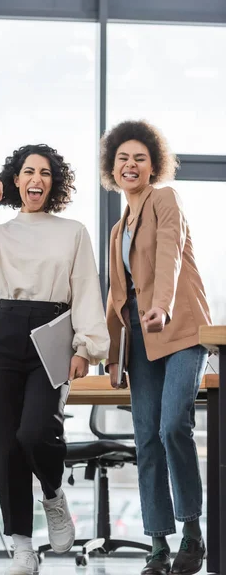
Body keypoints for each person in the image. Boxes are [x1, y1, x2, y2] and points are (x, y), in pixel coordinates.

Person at [0, 143, 109, 575]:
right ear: (16, 181)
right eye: (27, 172)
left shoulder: (73, 230)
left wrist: (87, 346)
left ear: (52, 182)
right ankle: (22, 545)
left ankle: (54, 493)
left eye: (44, 172)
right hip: (3, 334)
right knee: (4, 444)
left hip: (53, 333)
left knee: (35, 432)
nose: (36, 178)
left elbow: (86, 289)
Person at [101, 120, 212, 575]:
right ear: (113, 167)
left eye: (139, 159)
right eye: (123, 158)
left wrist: (163, 306)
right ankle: (158, 545)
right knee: (146, 440)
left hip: (180, 329)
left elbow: (169, 251)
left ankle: (192, 531)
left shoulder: (165, 199)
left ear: (153, 167)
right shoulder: (117, 230)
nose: (130, 165)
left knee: (171, 428)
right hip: (140, 343)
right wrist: (112, 355)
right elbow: (117, 296)